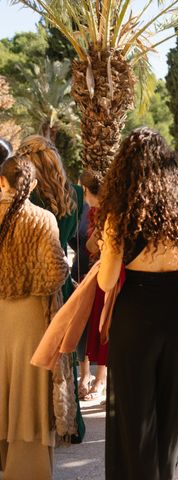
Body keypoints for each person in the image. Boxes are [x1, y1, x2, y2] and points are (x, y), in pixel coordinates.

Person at [96, 128, 178, 479]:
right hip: (177, 314)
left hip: (134, 316)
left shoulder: (120, 214)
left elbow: (106, 282)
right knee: (172, 415)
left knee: (134, 416)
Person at [0, 155, 69, 480]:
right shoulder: (43, 219)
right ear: (33, 185)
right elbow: (54, 272)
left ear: (3, 182)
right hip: (30, 315)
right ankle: (26, 468)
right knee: (28, 392)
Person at [17, 135, 85, 442]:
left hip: (29, 282)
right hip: (61, 282)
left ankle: (32, 421)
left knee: (32, 354)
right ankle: (71, 423)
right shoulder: (76, 195)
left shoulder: (27, 197)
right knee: (63, 354)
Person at [74, 170, 108, 401]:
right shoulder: (82, 210)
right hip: (82, 270)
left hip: (101, 272)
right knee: (82, 325)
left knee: (101, 324)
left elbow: (91, 245)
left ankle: (100, 379)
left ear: (85, 189)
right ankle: (84, 376)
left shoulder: (105, 213)